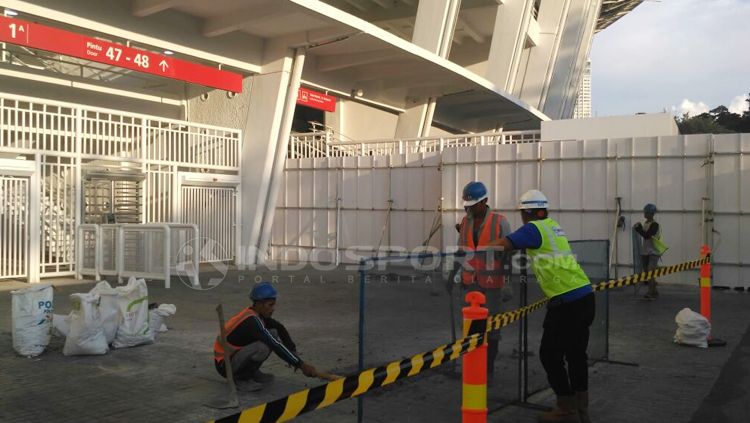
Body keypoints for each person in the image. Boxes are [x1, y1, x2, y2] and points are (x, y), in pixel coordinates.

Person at [488, 189, 594, 423]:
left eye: (522, 213)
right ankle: (581, 412)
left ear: (527, 212)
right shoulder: (553, 226)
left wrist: (479, 246)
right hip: (584, 295)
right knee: (576, 355)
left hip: (567, 302)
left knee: (549, 354)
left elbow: (502, 244)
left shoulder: (533, 228)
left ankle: (566, 409)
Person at [213, 282, 319, 391]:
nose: (273, 308)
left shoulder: (257, 315)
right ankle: (241, 378)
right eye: (270, 305)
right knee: (263, 346)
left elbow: (279, 328)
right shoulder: (251, 321)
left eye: (274, 304)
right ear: (259, 304)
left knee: (273, 332)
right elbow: (275, 344)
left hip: (235, 357)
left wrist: (293, 351)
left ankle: (252, 373)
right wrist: (300, 364)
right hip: (225, 366)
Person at [454, 181, 512, 381]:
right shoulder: (464, 222)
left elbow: (509, 254)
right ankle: (472, 367)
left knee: (492, 328)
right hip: (470, 282)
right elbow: (461, 250)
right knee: (470, 327)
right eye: (467, 205)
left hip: (492, 285)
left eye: (473, 204)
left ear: (485, 201)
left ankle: (487, 369)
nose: (469, 208)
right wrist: (455, 274)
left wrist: (507, 283)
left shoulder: (500, 221)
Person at [633, 203, 668, 300]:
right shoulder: (646, 223)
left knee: (650, 272)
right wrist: (639, 227)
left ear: (652, 214)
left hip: (653, 252)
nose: (645, 214)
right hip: (645, 252)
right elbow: (644, 234)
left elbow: (647, 235)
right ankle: (654, 291)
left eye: (647, 212)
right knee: (648, 272)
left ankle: (650, 292)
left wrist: (638, 228)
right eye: (645, 212)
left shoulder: (655, 225)